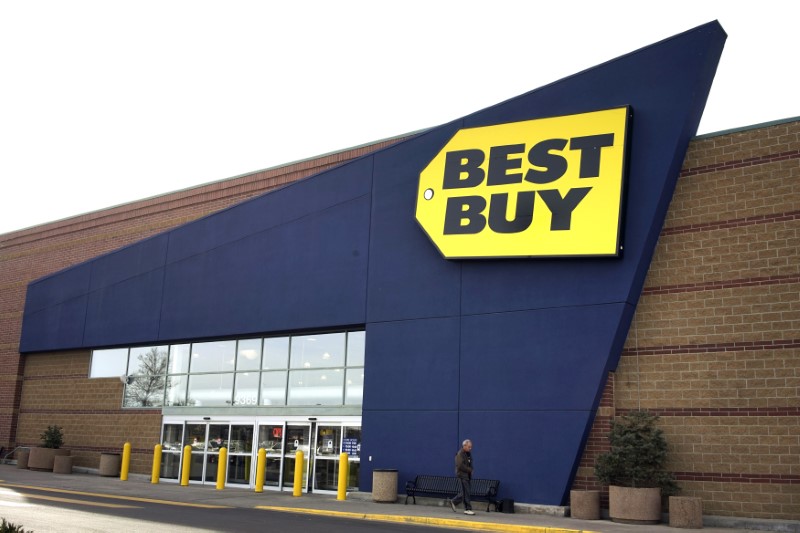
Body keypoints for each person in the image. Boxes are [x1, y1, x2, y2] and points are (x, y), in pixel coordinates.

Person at [448, 439, 474, 515]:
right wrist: (469, 470)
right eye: (469, 446)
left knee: (465, 492)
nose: (470, 448)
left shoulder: (468, 454)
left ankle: (454, 501)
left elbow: (469, 463)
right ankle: (467, 509)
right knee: (466, 492)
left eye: (471, 447)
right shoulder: (460, 454)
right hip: (462, 475)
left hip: (467, 476)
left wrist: (471, 470)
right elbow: (460, 465)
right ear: (464, 446)